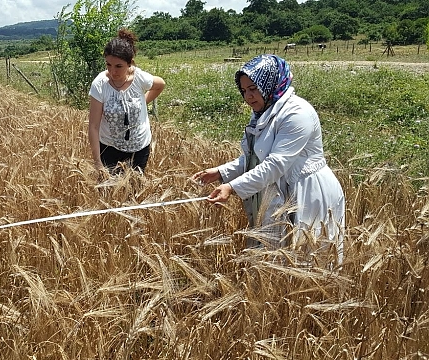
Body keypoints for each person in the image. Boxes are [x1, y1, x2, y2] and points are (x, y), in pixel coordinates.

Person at [191, 54, 345, 262]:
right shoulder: (264, 111)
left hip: (307, 192)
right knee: (278, 258)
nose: (248, 96)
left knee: (309, 257)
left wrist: (232, 187)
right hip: (279, 191)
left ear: (269, 83)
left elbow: (276, 163)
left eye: (254, 89)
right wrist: (221, 172)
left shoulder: (297, 113)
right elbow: (256, 158)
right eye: (244, 91)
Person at [88, 29, 165, 174]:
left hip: (139, 147)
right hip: (109, 148)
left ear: (129, 64)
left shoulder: (139, 78)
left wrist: (144, 103)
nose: (112, 71)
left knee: (134, 190)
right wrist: (97, 162)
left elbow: (160, 84)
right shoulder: (100, 84)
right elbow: (93, 126)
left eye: (118, 66)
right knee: (109, 192)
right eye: (108, 65)